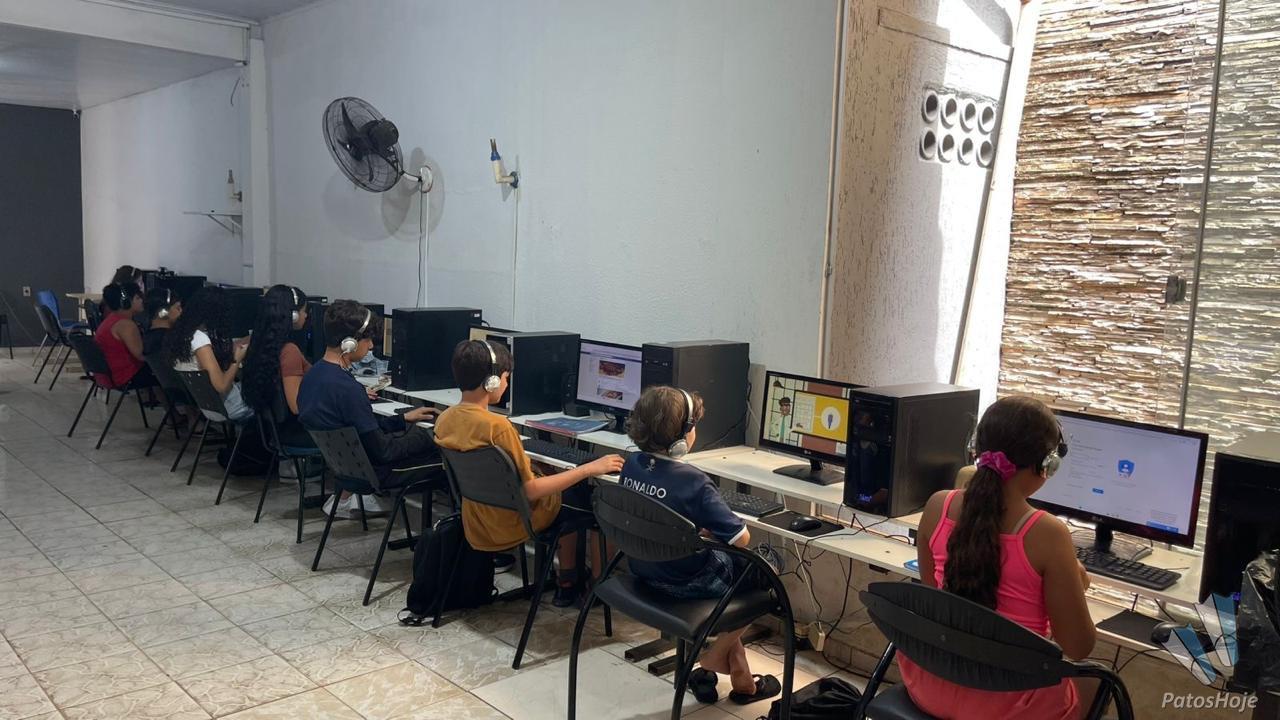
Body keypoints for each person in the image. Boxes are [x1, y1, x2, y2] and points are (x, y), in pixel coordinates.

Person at [902, 395, 1097, 720]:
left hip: (929, 683)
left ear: (976, 449)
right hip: (1007, 705)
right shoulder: (1048, 534)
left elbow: (935, 601)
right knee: (1094, 680)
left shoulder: (937, 506)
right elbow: (1078, 647)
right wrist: (1075, 585)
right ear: (1046, 465)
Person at [618, 385, 779, 706]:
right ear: (682, 436)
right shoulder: (693, 481)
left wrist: (692, 530)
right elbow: (741, 539)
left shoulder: (631, 464)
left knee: (734, 568)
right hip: (687, 581)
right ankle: (715, 654)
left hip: (644, 569)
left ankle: (741, 677)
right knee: (768, 567)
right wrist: (714, 528)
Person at [432, 339, 623, 606]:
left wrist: (541, 468)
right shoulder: (498, 427)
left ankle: (566, 582)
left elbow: (498, 471)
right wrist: (590, 468)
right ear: (492, 382)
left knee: (561, 482)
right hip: (517, 520)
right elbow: (530, 491)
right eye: (506, 378)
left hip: (478, 518)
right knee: (600, 500)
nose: (506, 384)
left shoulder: (444, 419)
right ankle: (596, 587)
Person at [297, 299, 439, 517]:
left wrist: (402, 420)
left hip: (347, 470)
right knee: (444, 460)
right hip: (376, 474)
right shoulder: (349, 389)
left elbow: (359, 429)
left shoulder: (313, 376)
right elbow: (384, 451)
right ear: (349, 343)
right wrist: (430, 436)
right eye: (368, 339)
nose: (371, 346)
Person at [163, 286, 253, 422]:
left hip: (207, 406)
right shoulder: (199, 340)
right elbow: (221, 386)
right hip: (231, 407)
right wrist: (237, 359)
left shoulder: (183, 335)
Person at [242, 285, 313, 449]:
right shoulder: (289, 351)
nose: (306, 315)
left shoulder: (260, 345)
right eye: (304, 311)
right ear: (293, 315)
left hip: (272, 430)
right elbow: (296, 406)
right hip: (295, 432)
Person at [93, 283, 157, 390]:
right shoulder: (126, 325)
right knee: (167, 374)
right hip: (125, 377)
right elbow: (140, 356)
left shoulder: (111, 319)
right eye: (138, 298)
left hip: (108, 376)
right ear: (126, 302)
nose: (142, 300)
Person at [142, 288, 181, 357]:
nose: (181, 311)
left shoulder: (146, 336)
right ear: (164, 312)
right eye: (178, 308)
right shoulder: (168, 339)